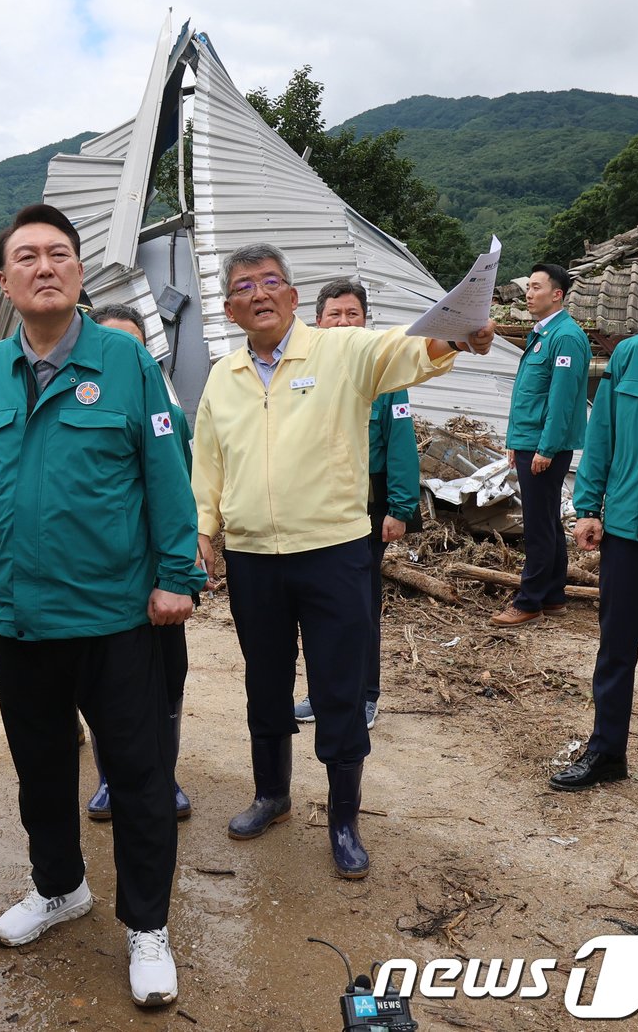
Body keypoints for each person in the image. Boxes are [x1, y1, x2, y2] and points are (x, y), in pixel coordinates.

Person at [0, 204, 203, 1009]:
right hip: (20, 619)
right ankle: (59, 887)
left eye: (59, 254)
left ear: (78, 272)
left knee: (140, 776)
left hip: (118, 617)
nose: (44, 266)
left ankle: (146, 925)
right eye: (27, 257)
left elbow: (165, 476)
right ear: (6, 281)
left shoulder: (126, 363)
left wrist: (176, 575)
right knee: (40, 771)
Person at [191, 243, 494, 881]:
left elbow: (410, 352)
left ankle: (343, 818)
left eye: (272, 280)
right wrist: (205, 530)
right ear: (229, 308)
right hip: (253, 558)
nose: (260, 293)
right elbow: (209, 461)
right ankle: (271, 794)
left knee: (338, 687)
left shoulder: (341, 350)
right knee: (265, 680)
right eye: (245, 286)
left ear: (295, 298)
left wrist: (459, 337)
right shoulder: (224, 375)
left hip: (332, 553)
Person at [549, 261, 638, 798]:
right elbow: (602, 435)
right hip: (626, 527)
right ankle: (606, 752)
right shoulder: (631, 352)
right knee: (616, 647)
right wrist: (589, 507)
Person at [293, 279, 421, 731]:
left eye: (353, 314)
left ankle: (365, 694)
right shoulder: (302, 372)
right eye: (335, 315)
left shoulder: (383, 373)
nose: (344, 323)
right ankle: (321, 692)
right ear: (317, 321)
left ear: (366, 321)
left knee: (359, 605)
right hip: (313, 505)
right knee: (314, 605)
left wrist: (400, 508)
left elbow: (401, 442)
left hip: (367, 508)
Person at [84, 303, 192, 822]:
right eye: (110, 344)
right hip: (101, 584)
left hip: (155, 581)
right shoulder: (76, 413)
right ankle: (110, 779)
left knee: (166, 683)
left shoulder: (169, 418)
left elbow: (180, 498)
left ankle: (164, 777)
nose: (122, 355)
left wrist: (181, 575)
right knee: (104, 689)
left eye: (133, 344)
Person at [494, 263, 590, 626]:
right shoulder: (543, 334)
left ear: (557, 294)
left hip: (544, 446)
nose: (528, 294)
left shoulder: (565, 337)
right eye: (528, 288)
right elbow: (527, 394)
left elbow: (563, 400)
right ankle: (552, 596)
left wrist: (546, 448)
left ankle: (529, 601)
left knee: (537, 525)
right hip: (530, 441)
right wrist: (513, 441)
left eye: (536, 287)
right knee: (547, 520)